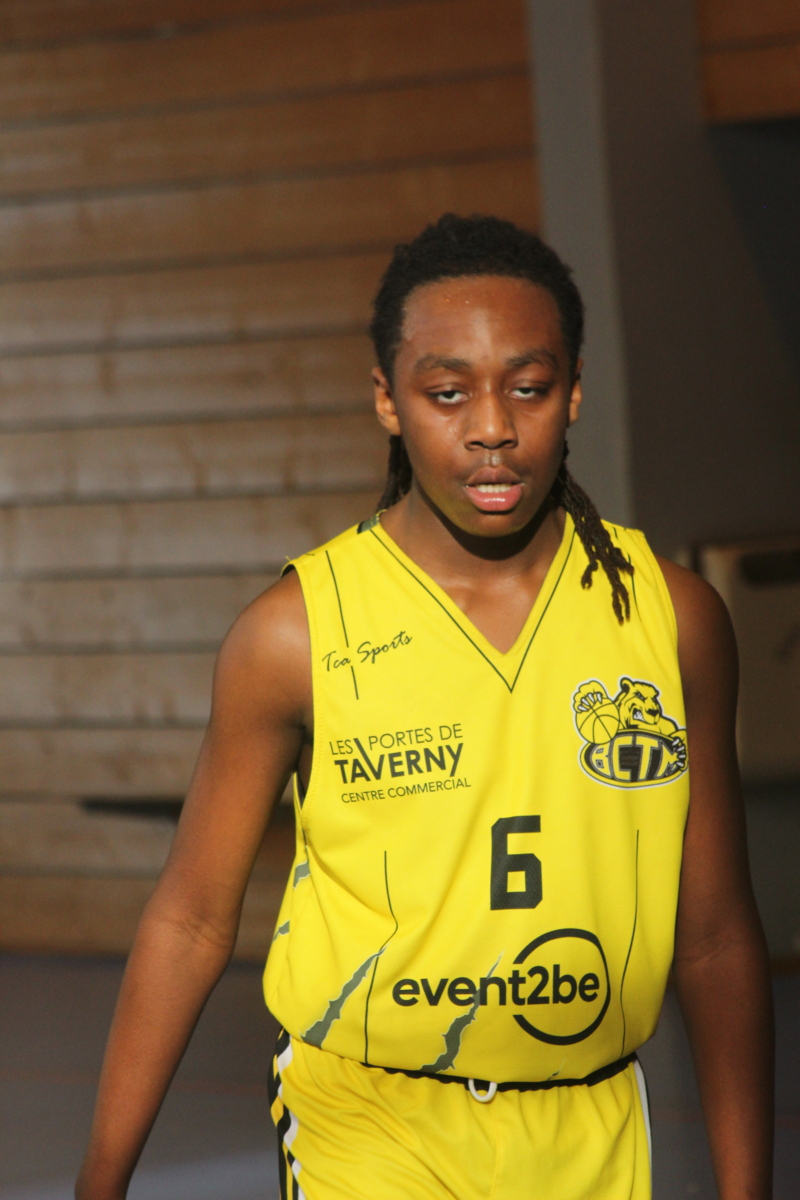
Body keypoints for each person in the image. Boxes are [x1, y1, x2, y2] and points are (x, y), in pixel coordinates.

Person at [76, 215, 773, 1200]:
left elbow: (713, 935)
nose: (491, 427)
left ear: (573, 391)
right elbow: (190, 919)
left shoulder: (671, 619)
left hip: (589, 1118)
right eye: (447, 393)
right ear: (388, 401)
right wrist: (101, 1178)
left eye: (528, 387)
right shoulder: (294, 634)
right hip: (366, 1121)